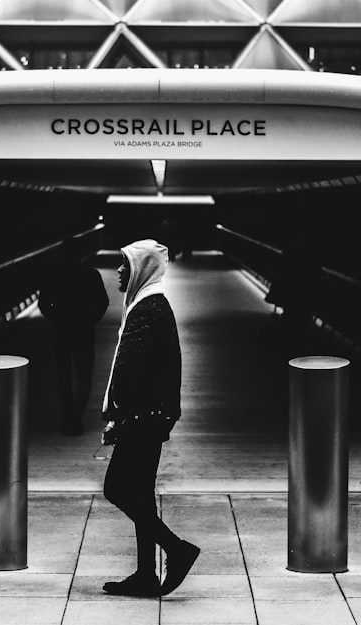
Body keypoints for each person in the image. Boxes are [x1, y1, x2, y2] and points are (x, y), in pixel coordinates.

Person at [99, 239, 200, 597]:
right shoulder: (152, 304)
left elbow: (129, 368)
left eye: (125, 264)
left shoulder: (147, 307)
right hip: (151, 415)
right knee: (140, 495)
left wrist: (117, 416)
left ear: (142, 268)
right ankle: (145, 575)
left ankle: (177, 549)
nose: (119, 271)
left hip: (142, 417)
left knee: (117, 489)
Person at [38, 239, 109, 435]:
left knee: (64, 375)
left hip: (61, 329)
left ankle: (68, 415)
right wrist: (92, 319)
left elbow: (43, 303)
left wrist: (54, 317)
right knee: (84, 374)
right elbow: (102, 302)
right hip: (84, 329)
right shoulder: (91, 275)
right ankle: (77, 415)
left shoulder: (53, 276)